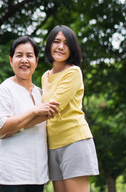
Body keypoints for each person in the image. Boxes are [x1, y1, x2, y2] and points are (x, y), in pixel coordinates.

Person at [0, 36, 60, 192]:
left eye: (29, 56)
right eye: (19, 55)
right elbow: (1, 129)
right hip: (11, 173)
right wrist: (34, 111)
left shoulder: (40, 93)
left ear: (36, 60)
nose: (24, 60)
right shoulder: (5, 90)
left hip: (37, 173)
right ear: (11, 60)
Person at [41, 25, 99, 192]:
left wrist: (20, 121)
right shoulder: (45, 76)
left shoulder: (73, 72)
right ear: (49, 45)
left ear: (72, 48)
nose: (60, 47)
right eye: (56, 41)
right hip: (52, 145)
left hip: (74, 141)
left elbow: (52, 107)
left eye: (66, 43)